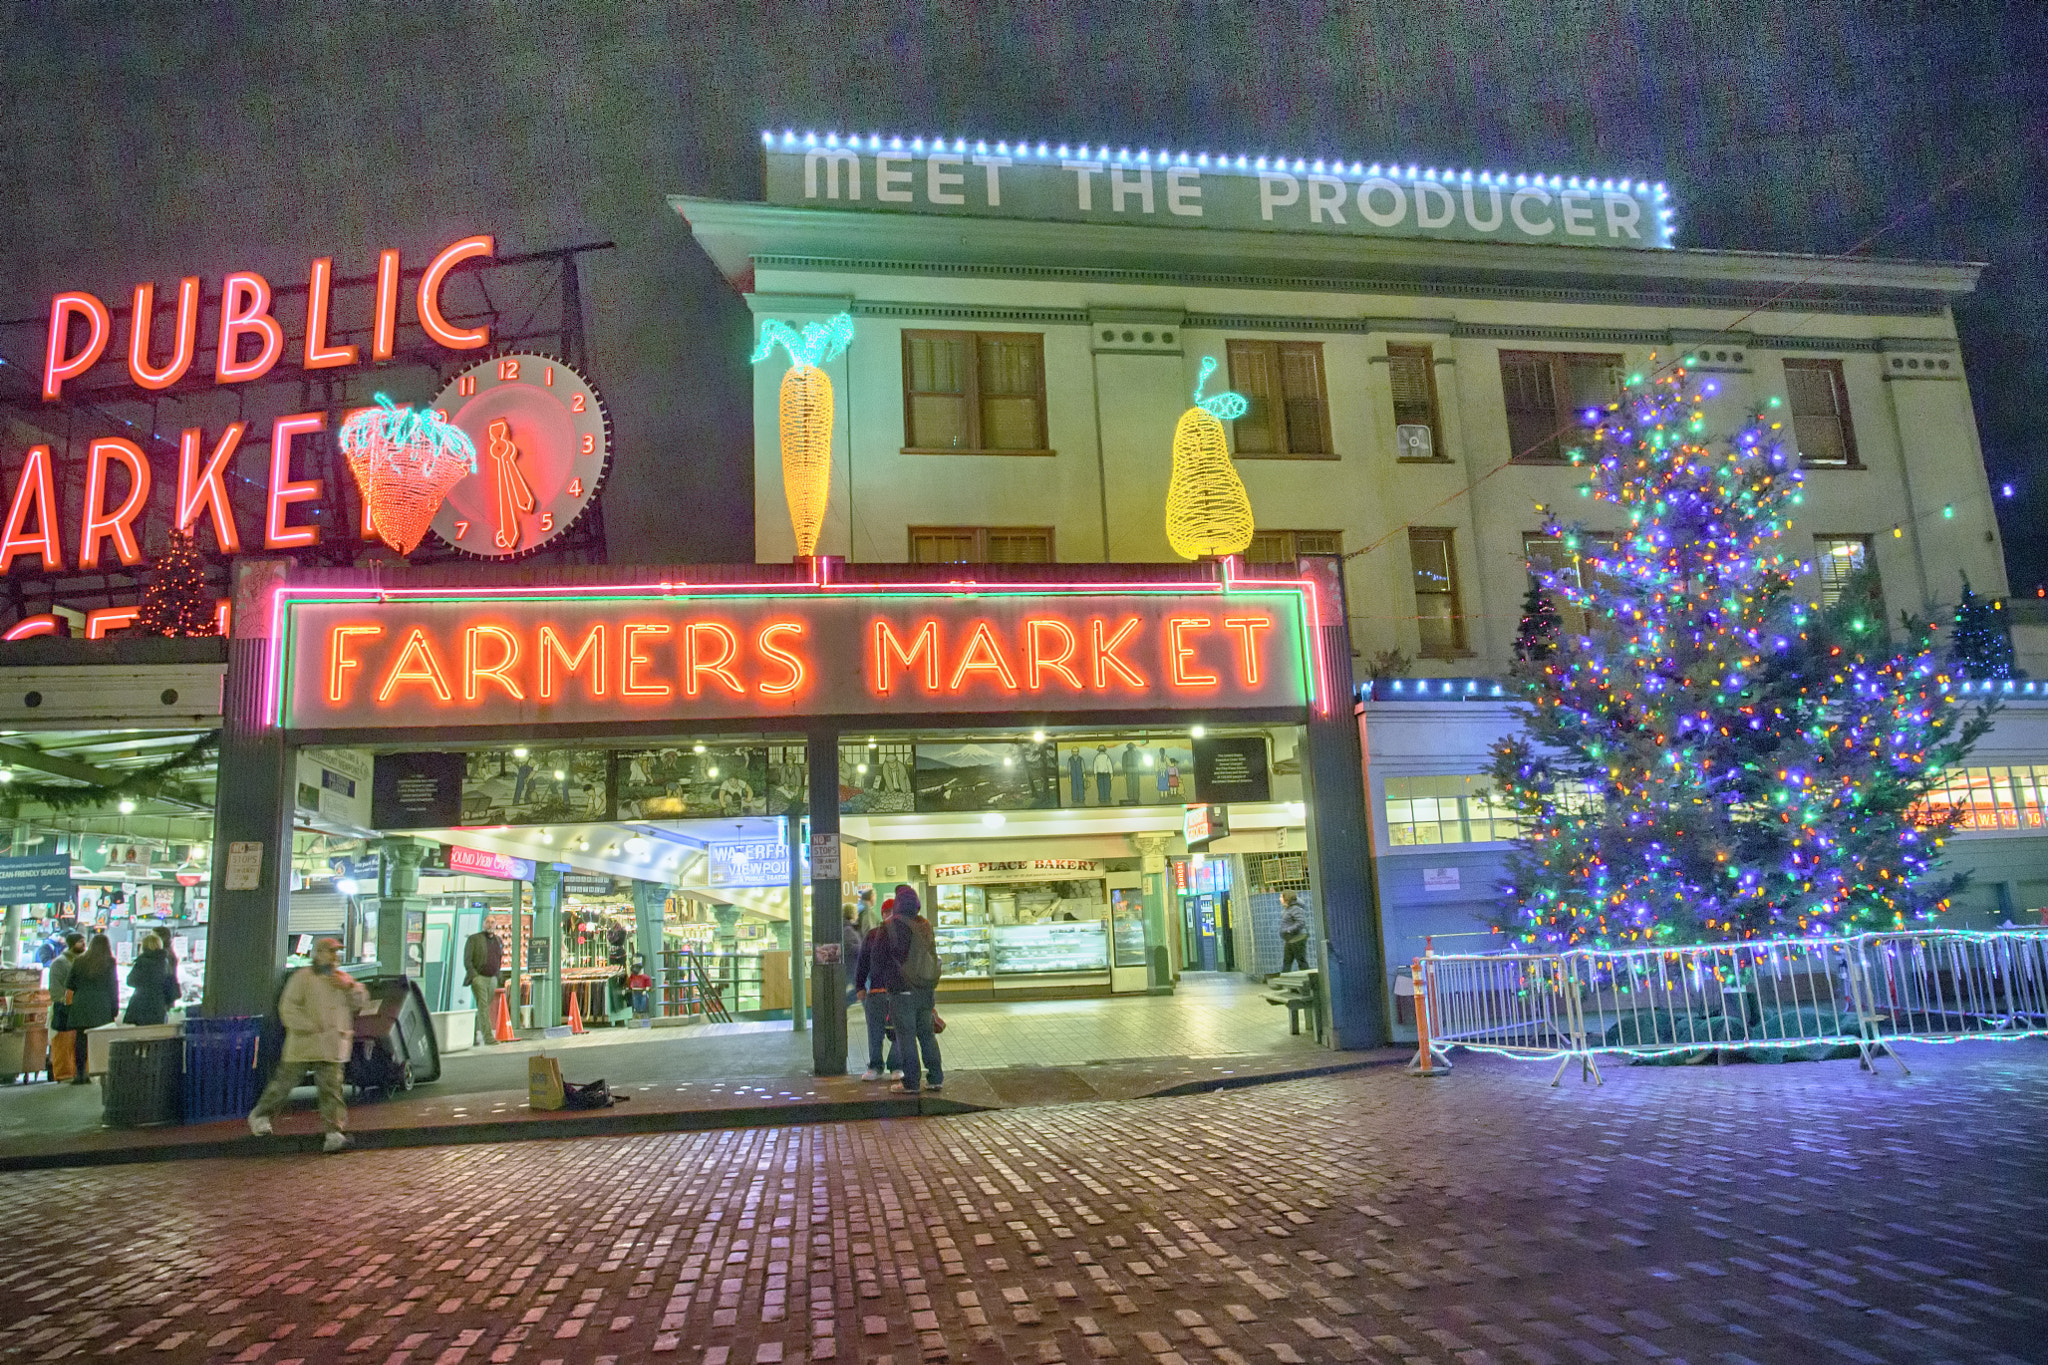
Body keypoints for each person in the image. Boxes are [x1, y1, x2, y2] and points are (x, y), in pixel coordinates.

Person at [249, 937, 370, 1152]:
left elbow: (359, 1004)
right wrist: (308, 1026)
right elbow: (288, 1007)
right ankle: (260, 1116)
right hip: (305, 1042)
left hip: (332, 1044)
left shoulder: (343, 980)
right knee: (284, 1084)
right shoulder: (302, 978)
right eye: (330, 952)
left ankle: (334, 1132)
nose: (334, 957)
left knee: (331, 1089)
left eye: (336, 953)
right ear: (318, 953)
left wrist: (351, 987)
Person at [875, 886, 943, 1095]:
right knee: (927, 1034)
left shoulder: (889, 927)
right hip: (925, 991)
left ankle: (911, 1082)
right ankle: (935, 1078)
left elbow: (877, 960)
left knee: (906, 1037)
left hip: (901, 991)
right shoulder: (925, 925)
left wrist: (884, 982)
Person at [852, 897, 901, 1081]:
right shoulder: (872, 936)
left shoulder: (903, 935)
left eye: (893, 912)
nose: (890, 916)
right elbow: (862, 962)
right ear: (882, 914)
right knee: (875, 1031)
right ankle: (875, 1066)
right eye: (887, 912)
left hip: (897, 992)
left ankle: (896, 1066)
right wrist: (859, 985)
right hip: (877, 991)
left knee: (899, 1032)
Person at [63, 934, 119, 1085]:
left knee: (81, 1040)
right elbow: (113, 987)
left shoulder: (79, 961)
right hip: (102, 1005)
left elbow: (69, 984)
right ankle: (101, 1073)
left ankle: (80, 1074)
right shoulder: (109, 962)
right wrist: (114, 1009)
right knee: (100, 1040)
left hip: (81, 1004)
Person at [45, 932, 83, 1074]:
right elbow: (56, 990)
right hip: (64, 1010)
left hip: (78, 1010)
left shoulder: (83, 961)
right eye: (80, 941)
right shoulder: (61, 963)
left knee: (74, 1045)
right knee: (63, 1044)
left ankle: (73, 1072)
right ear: (72, 944)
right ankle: (63, 1073)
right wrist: (66, 1001)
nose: (83, 945)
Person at [122, 934, 179, 1026]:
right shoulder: (165, 962)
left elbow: (130, 981)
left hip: (140, 1005)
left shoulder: (141, 962)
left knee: (138, 1037)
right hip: (158, 1006)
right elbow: (170, 983)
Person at [464, 924, 505, 1045]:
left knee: (484, 1008)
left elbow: (499, 957)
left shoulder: (498, 940)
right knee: (483, 1006)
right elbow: (467, 959)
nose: (490, 925)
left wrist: (497, 974)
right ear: (483, 925)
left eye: (493, 922)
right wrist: (474, 976)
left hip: (492, 978)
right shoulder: (474, 939)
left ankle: (472, 1035)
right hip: (479, 978)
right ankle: (488, 1037)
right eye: (488, 922)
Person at [1279, 894, 1311, 973]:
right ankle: (1285, 981)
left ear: (1286, 898)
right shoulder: (1288, 909)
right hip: (1290, 939)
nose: (1280, 899)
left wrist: (1288, 930)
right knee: (1287, 961)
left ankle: (1308, 981)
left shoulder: (1295, 909)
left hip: (1297, 939)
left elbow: (1301, 922)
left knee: (1301, 961)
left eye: (1281, 897)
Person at [841, 905, 865, 1008]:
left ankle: (842, 1005)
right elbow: (850, 947)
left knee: (860, 990)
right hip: (852, 967)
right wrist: (862, 950)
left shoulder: (848, 928)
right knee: (861, 990)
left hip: (850, 966)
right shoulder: (848, 929)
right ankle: (842, 1005)